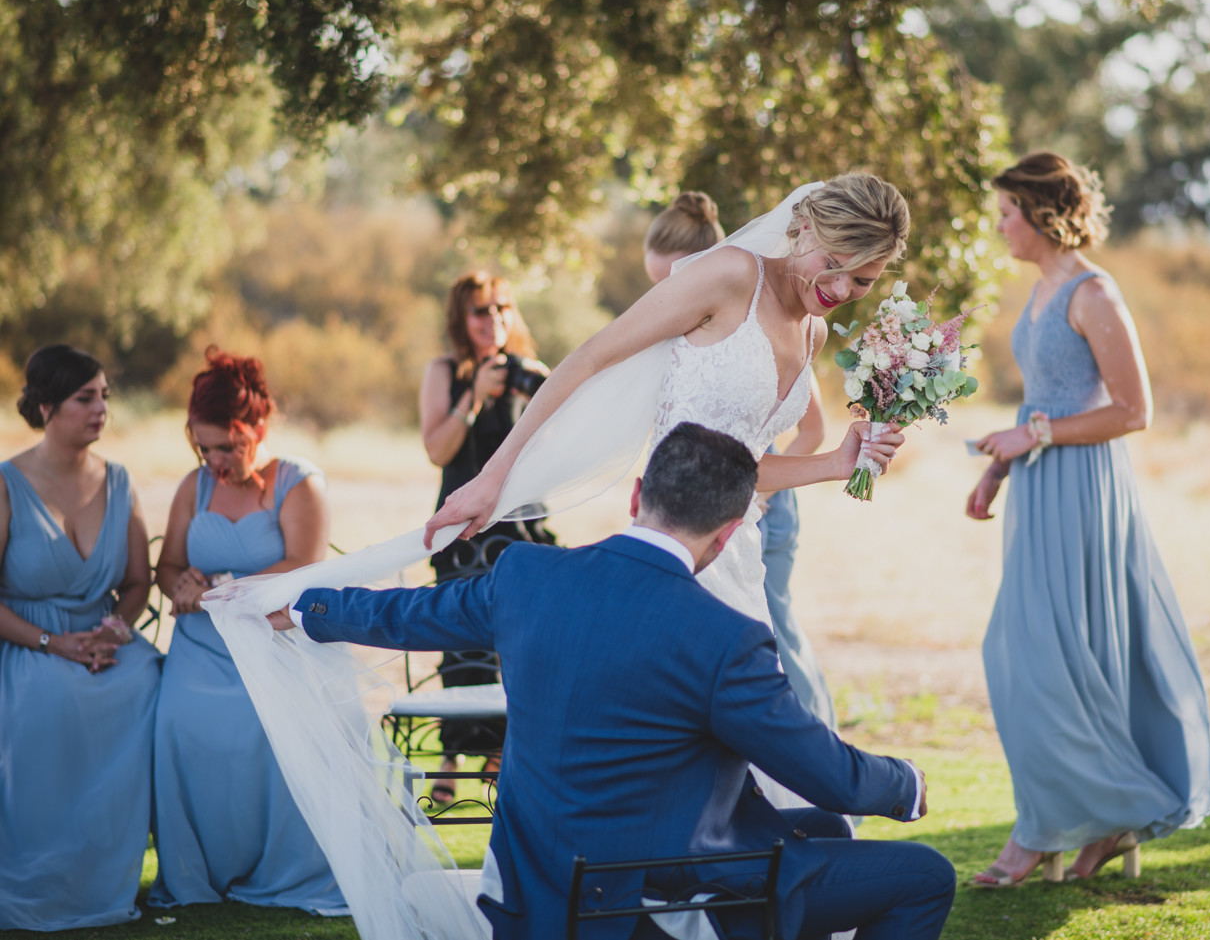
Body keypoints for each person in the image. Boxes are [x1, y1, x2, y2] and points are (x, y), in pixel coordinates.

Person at [271, 423, 957, 940]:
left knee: (824, 828)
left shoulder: (526, 576)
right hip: (650, 899)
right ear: (725, 537)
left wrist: (303, 606)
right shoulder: (725, 640)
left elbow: (403, 614)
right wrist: (906, 783)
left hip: (534, 887)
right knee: (925, 876)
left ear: (637, 496)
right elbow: (827, 771)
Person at [425, 174, 909, 655]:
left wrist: (835, 464)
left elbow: (734, 467)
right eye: (833, 264)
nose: (840, 288)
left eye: (863, 280)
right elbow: (590, 358)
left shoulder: (813, 334)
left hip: (739, 555)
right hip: (671, 551)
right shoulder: (733, 275)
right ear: (802, 229)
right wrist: (493, 478)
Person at [966, 152, 1210, 887]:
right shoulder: (1041, 290)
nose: (999, 227)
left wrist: (1033, 437)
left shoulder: (1094, 292)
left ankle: (1053, 828)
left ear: (1040, 214)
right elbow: (1041, 399)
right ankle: (1081, 818)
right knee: (1030, 654)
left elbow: (1133, 411)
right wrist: (998, 467)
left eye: (1007, 213)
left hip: (1083, 489)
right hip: (1039, 486)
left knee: (1045, 657)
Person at [149, 348, 346, 915]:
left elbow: (303, 568)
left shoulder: (298, 482)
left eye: (227, 448)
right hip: (200, 648)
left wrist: (218, 585)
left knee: (266, 727)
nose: (214, 461)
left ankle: (277, 867)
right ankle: (202, 869)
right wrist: (181, 583)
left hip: (272, 645)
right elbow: (168, 566)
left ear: (257, 429)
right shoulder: (194, 487)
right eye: (204, 448)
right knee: (175, 721)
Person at [643, 190, 836, 727]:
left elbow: (813, 429)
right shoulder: (682, 330)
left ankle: (811, 738)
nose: (665, 296)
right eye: (656, 284)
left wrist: (763, 494)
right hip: (690, 503)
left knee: (773, 634)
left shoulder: (773, 321)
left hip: (762, 500)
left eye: (672, 281)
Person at [0, 344, 162, 930]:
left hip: (104, 640)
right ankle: (44, 873)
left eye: (105, 397)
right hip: (25, 641)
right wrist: (53, 643)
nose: (101, 410)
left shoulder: (120, 481)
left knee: (151, 680)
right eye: (84, 398)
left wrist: (112, 633)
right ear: (46, 407)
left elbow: (139, 582)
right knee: (49, 696)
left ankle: (111, 866)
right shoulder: (6, 484)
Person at [419, 271, 554, 801]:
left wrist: (542, 387)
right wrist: (472, 397)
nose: (492, 319)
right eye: (480, 310)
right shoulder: (443, 372)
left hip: (520, 528)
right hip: (461, 530)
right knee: (461, 640)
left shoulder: (530, 372)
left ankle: (507, 752)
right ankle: (454, 751)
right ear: (460, 318)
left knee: (524, 645)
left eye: (501, 308)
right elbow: (438, 450)